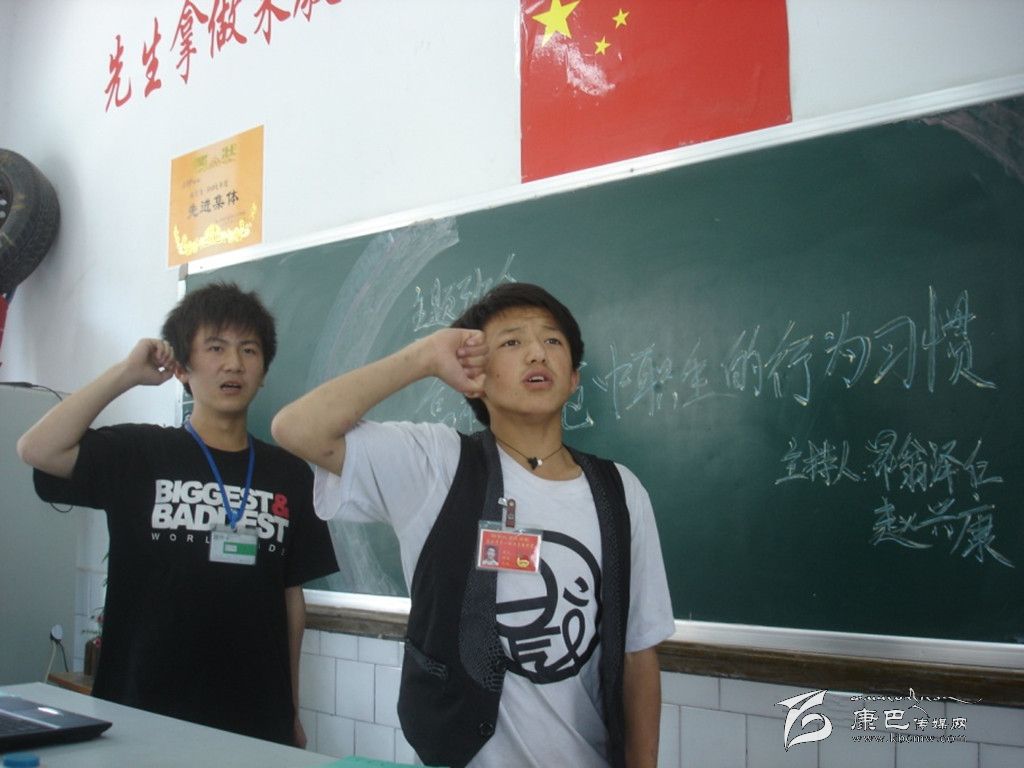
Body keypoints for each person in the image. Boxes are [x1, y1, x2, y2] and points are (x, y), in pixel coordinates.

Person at [272, 282, 674, 767]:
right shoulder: (437, 465)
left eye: (552, 340)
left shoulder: (620, 492)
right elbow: (297, 428)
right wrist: (424, 356)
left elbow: (637, 654)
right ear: (475, 378)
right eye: (512, 341)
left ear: (573, 379)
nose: (536, 353)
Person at [16, 282, 338, 747]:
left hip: (255, 718)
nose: (234, 363)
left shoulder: (289, 473)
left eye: (249, 350)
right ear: (182, 368)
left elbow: (291, 599)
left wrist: (291, 708)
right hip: (142, 710)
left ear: (264, 371)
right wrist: (127, 373)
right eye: (216, 348)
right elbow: (37, 449)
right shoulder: (141, 453)